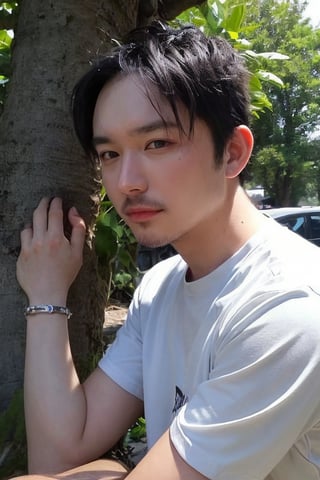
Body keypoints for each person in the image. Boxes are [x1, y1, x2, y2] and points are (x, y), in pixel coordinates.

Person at [15, 20, 320, 480]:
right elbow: (60, 454)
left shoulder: (288, 308)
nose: (126, 182)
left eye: (157, 143)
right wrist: (46, 292)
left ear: (234, 152)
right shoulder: (159, 288)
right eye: (110, 154)